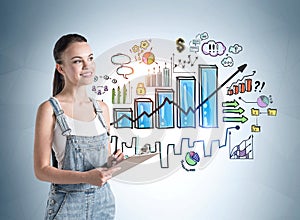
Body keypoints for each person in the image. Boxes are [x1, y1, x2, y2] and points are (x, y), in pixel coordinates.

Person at [34, 33, 124, 219]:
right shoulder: (49, 109)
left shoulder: (102, 109)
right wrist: (85, 177)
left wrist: (113, 163)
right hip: (68, 206)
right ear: (61, 68)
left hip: (103, 203)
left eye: (90, 58)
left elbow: (103, 166)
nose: (87, 66)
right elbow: (41, 171)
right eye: (77, 61)